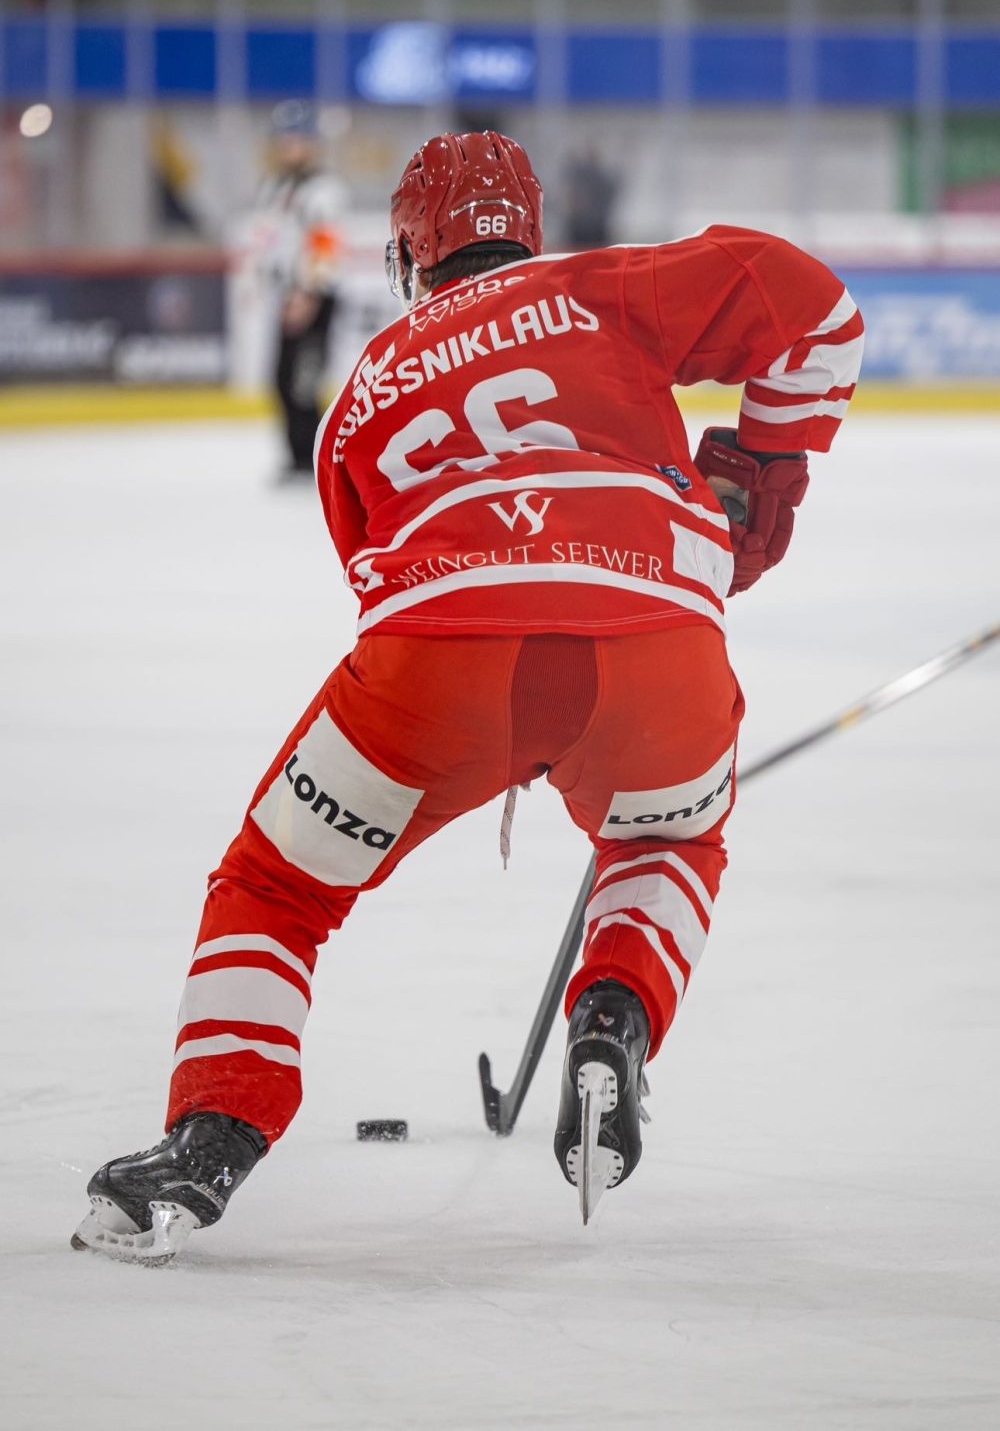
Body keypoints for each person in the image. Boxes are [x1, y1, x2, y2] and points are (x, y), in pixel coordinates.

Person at [72, 131, 864, 1261]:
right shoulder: (601, 288)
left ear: (409, 255)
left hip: (438, 659)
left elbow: (372, 575)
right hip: (657, 647)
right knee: (667, 841)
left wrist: (494, 704)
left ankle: (211, 1135)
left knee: (276, 888)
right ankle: (616, 1011)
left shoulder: (364, 387)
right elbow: (816, 308)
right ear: (528, 232)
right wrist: (763, 471)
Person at [254, 100, 346, 478]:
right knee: (281, 378)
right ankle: (296, 457)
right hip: (287, 296)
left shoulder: (322, 190)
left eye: (296, 139)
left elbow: (324, 245)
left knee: (304, 383)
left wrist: (308, 293)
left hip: (312, 297)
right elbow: (272, 241)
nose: (288, 146)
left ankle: (312, 460)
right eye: (283, 139)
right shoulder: (276, 188)